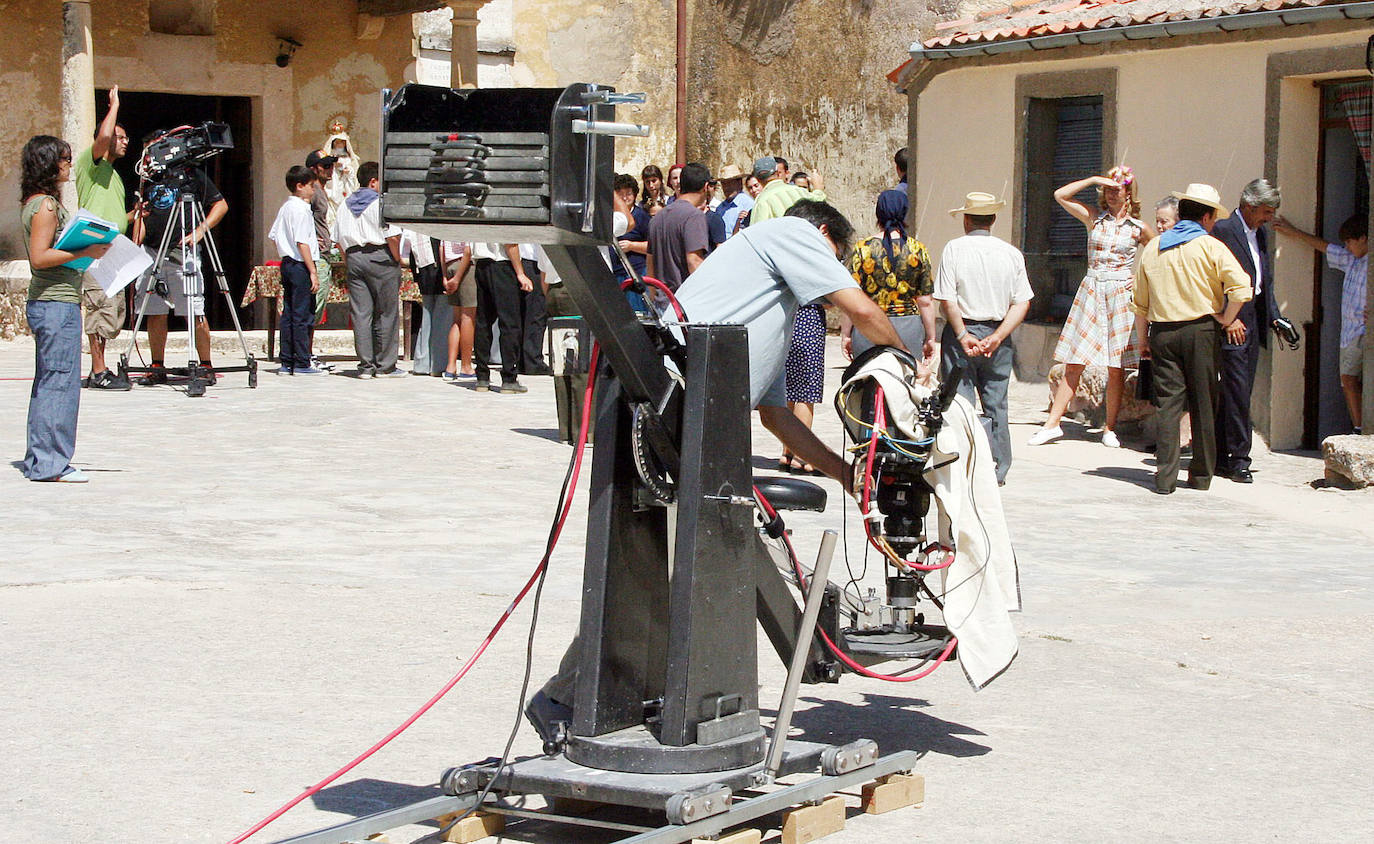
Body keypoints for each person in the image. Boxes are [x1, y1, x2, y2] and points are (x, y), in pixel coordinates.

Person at [525, 200, 911, 741]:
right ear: (823, 233)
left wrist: (843, 473)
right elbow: (863, 310)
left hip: (700, 423)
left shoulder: (767, 307)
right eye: (837, 257)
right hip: (673, 401)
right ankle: (567, 696)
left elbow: (776, 417)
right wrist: (908, 360)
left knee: (689, 561)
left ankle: (592, 694)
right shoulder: (789, 232)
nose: (833, 270)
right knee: (657, 568)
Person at [1132, 184, 1251, 494]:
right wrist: (1226, 318)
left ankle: (1165, 477)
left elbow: (1140, 302)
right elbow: (1241, 287)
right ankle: (1200, 475)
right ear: (1208, 217)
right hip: (1201, 331)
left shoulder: (1155, 247)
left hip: (1163, 333)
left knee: (1168, 406)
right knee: (1204, 403)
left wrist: (1142, 339)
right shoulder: (1212, 247)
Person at [1029, 166, 1154, 449]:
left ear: (1129, 193)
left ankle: (1110, 428)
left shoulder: (1138, 228)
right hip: (1093, 289)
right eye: (1106, 189)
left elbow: (1158, 254)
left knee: (1115, 366)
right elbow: (1060, 195)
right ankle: (1053, 423)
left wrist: (1140, 276)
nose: (1110, 194)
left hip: (1121, 294)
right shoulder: (1095, 219)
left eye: (1115, 189)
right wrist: (1093, 179)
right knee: (1075, 360)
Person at [19, 135, 111, 482]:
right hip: (55, 302)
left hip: (53, 302)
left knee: (49, 382)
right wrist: (84, 252)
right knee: (59, 382)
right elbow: (40, 257)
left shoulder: (38, 201)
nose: (70, 164)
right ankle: (51, 463)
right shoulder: (45, 206)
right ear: (48, 162)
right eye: (65, 158)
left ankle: (40, 458)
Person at [934, 191, 1033, 485]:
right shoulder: (1011, 253)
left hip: (962, 331)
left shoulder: (954, 249)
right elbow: (1022, 302)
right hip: (997, 333)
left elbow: (947, 300)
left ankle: (965, 462)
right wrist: (999, 336)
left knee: (959, 403)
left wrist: (963, 334)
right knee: (996, 403)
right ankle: (997, 467)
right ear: (992, 219)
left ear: (966, 219)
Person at [131, 130, 227, 385]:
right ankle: (156, 364)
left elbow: (220, 204)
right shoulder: (147, 181)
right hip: (152, 252)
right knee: (155, 311)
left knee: (193, 310)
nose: (148, 157)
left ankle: (205, 363)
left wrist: (200, 231)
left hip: (181, 251)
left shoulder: (190, 176)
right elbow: (141, 220)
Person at [1209, 179, 1288, 483]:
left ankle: (1222, 454)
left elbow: (1262, 281)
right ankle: (1238, 458)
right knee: (1237, 391)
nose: (1269, 217)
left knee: (1238, 391)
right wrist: (1229, 318)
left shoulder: (1262, 234)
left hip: (1253, 320)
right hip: (1234, 322)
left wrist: (1275, 318)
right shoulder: (1225, 231)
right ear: (1249, 206)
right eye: (1266, 211)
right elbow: (1215, 281)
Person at [1274, 213, 1368, 433]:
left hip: (1364, 330)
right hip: (1351, 332)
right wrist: (1294, 231)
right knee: (1348, 378)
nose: (1347, 246)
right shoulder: (1351, 260)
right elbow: (1326, 247)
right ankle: (1359, 426)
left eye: (1350, 242)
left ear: (1363, 238)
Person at [75, 86, 132, 391]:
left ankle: (101, 368)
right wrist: (114, 107)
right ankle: (98, 371)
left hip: (114, 250)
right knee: (99, 307)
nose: (125, 142)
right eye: (120, 137)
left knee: (112, 310)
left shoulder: (116, 177)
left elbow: (115, 215)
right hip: (94, 250)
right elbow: (102, 138)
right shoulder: (91, 162)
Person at [841, 187, 937, 362]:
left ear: (878, 214)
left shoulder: (863, 249)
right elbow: (925, 301)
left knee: (865, 382)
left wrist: (846, 334)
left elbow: (851, 296)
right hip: (908, 327)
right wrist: (930, 338)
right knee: (907, 381)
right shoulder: (917, 250)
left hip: (868, 326)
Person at [332, 160, 405, 378]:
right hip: (380, 256)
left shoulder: (345, 205)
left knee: (361, 313)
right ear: (373, 182)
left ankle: (365, 365)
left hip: (354, 257)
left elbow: (338, 241)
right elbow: (392, 236)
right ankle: (385, 365)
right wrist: (398, 259)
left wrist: (349, 261)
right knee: (387, 313)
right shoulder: (381, 203)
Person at [267, 166, 324, 376]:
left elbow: (275, 236)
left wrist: (286, 249)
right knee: (302, 314)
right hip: (300, 264)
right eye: (310, 186)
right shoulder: (300, 208)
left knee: (289, 313)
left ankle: (287, 360)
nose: (313, 190)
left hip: (288, 263)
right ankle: (301, 361)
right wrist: (312, 271)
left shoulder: (285, 208)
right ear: (299, 186)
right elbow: (302, 242)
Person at [470, 242, 533, 393]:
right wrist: (520, 273)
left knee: (483, 321)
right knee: (510, 323)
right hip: (502, 264)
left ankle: (482, 377)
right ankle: (509, 377)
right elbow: (510, 242)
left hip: (482, 263)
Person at [646, 162, 711, 290]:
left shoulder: (657, 218)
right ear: (706, 186)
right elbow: (694, 261)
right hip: (683, 302)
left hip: (662, 301)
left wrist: (654, 297)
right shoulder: (694, 216)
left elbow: (650, 263)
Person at [305, 148, 338, 367]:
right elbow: (303, 215)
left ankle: (306, 352)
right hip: (317, 255)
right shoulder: (313, 192)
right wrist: (309, 239)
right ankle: (305, 353)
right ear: (313, 169)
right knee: (313, 306)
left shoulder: (321, 190)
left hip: (324, 252)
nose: (330, 169)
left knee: (316, 306)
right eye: (325, 166)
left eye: (331, 165)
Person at [404, 230, 451, 376]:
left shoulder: (417, 226)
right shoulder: (438, 224)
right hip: (438, 272)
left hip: (423, 270)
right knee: (442, 320)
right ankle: (438, 364)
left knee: (427, 319)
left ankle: (421, 363)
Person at [748, 156, 825, 225]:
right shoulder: (800, 191)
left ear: (757, 179)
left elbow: (757, 232)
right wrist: (818, 187)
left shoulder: (762, 201)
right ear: (778, 173)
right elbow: (819, 202)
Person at [441, 241, 476, 380]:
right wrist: (458, 278)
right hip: (465, 266)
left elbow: (441, 247)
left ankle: (451, 366)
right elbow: (468, 250)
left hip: (449, 264)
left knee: (456, 318)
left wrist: (445, 276)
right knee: (468, 317)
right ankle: (466, 366)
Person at [517, 243, 552, 375]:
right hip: (535, 263)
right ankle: (533, 361)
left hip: (525, 261)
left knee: (526, 313)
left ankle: (523, 360)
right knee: (537, 313)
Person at [715, 164, 753, 238]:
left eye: (730, 183)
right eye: (724, 184)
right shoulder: (720, 208)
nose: (726, 187)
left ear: (739, 183)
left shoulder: (748, 205)